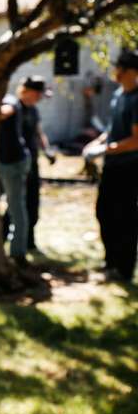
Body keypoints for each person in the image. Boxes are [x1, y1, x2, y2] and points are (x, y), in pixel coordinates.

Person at [84, 49, 138, 283]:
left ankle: (124, 269)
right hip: (112, 166)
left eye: (119, 69)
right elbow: (111, 129)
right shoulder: (119, 95)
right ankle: (110, 261)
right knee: (104, 212)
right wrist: (95, 144)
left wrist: (106, 149)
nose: (114, 72)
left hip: (129, 168)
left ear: (131, 72)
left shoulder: (137, 99)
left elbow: (136, 140)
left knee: (125, 217)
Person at [1, 76, 55, 253]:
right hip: (13, 162)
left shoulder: (33, 110)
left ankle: (28, 241)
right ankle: (3, 238)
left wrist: (47, 150)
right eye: (38, 94)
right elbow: (4, 111)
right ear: (28, 91)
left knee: (31, 203)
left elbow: (39, 133)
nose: (39, 98)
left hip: (30, 163)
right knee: (15, 203)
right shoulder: (14, 104)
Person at [0, 79, 35, 264]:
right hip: (2, 161)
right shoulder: (0, 99)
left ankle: (18, 253)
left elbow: (3, 113)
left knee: (16, 207)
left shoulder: (9, 101)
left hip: (14, 162)